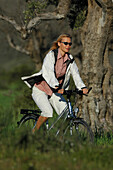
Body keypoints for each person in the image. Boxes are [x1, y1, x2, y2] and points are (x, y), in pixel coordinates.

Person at [21, 33, 88, 133]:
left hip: (54, 91)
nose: (68, 46)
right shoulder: (51, 55)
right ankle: (33, 133)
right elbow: (48, 73)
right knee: (48, 112)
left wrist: (82, 87)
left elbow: (76, 74)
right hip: (41, 89)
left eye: (70, 44)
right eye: (65, 43)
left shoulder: (70, 59)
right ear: (59, 44)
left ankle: (59, 138)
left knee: (66, 113)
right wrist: (56, 86)